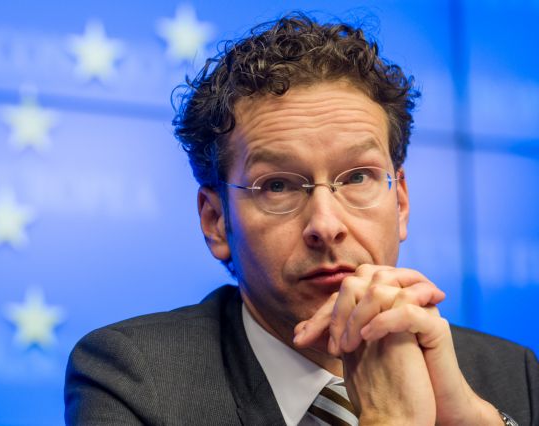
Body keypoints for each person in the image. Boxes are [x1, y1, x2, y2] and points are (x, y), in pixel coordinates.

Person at [65, 12, 539, 425]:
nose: (326, 225)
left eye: (357, 177)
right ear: (216, 221)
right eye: (277, 185)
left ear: (400, 202)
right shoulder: (133, 378)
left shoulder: (509, 373)